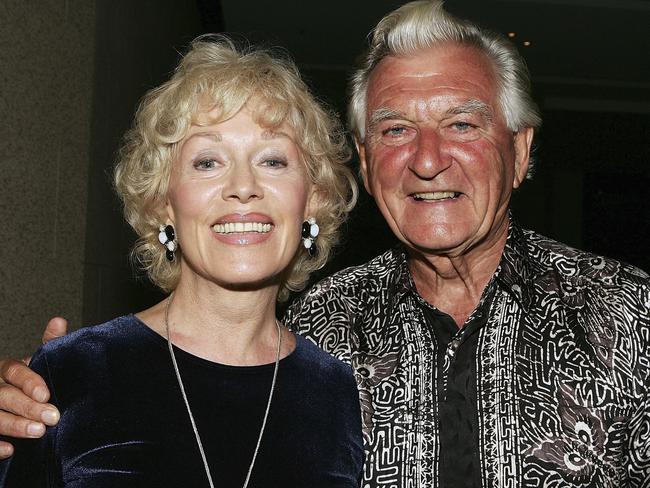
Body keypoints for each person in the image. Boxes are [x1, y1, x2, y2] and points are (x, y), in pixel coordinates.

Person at [1, 1, 650, 487]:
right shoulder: (325, 329)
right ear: (366, 166)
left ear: (521, 148)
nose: (428, 160)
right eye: (396, 129)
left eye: (460, 123)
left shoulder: (631, 319)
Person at [0, 35, 363, 487]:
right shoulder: (71, 375)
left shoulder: (343, 395)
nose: (243, 186)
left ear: (313, 199)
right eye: (208, 162)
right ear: (162, 204)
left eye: (272, 160)